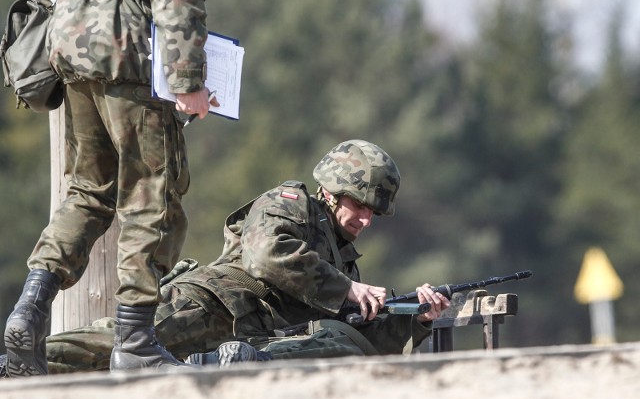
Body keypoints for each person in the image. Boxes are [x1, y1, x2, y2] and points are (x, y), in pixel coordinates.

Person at [2, 140, 450, 375]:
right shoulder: (290, 203)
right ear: (333, 193)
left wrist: (417, 319)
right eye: (361, 206)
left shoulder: (342, 261)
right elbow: (265, 255)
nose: (367, 220)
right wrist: (347, 288)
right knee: (97, 349)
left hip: (239, 342)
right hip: (209, 304)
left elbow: (356, 339)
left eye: (375, 212)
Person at [3, 0, 213, 378]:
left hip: (68, 35)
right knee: (151, 192)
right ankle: (135, 341)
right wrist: (188, 80)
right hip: (124, 37)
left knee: (88, 191)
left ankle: (28, 313)